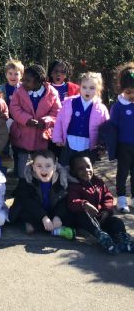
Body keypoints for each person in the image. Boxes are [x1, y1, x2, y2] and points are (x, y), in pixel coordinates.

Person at [67, 154, 134, 254]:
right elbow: (72, 202)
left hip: (101, 217)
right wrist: (84, 204)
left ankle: (122, 239)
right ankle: (101, 237)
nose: (86, 170)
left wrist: (106, 211)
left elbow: (108, 197)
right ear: (73, 171)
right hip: (86, 222)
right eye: (80, 169)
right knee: (83, 216)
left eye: (88, 166)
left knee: (117, 222)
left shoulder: (98, 182)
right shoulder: (73, 186)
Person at [9, 150, 75, 239]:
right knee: (23, 210)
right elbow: (28, 202)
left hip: (51, 211)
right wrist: (43, 217)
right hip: (36, 211)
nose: (44, 170)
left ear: (54, 167)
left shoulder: (61, 181)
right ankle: (53, 230)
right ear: (33, 167)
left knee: (70, 214)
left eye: (48, 166)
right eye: (39, 166)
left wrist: (58, 216)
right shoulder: (27, 180)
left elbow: (63, 201)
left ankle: (41, 227)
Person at [9, 65, 61, 178]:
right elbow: (14, 108)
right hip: (22, 136)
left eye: (28, 81)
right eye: (23, 79)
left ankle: (38, 183)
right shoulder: (19, 91)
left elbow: (56, 112)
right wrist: (26, 119)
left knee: (39, 164)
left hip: (41, 138)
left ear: (39, 81)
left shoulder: (52, 93)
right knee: (22, 166)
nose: (23, 83)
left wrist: (46, 121)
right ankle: (22, 183)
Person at [53, 72, 109, 166]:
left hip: (88, 145)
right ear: (80, 87)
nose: (87, 91)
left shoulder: (101, 108)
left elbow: (106, 129)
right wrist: (57, 138)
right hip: (69, 142)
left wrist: (103, 145)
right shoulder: (69, 103)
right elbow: (59, 120)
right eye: (84, 87)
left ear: (98, 89)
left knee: (84, 169)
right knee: (64, 167)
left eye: (92, 88)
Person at [108, 63, 134, 213]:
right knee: (122, 172)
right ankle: (122, 198)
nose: (132, 95)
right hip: (123, 146)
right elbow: (112, 128)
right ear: (122, 89)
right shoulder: (118, 107)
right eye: (128, 92)